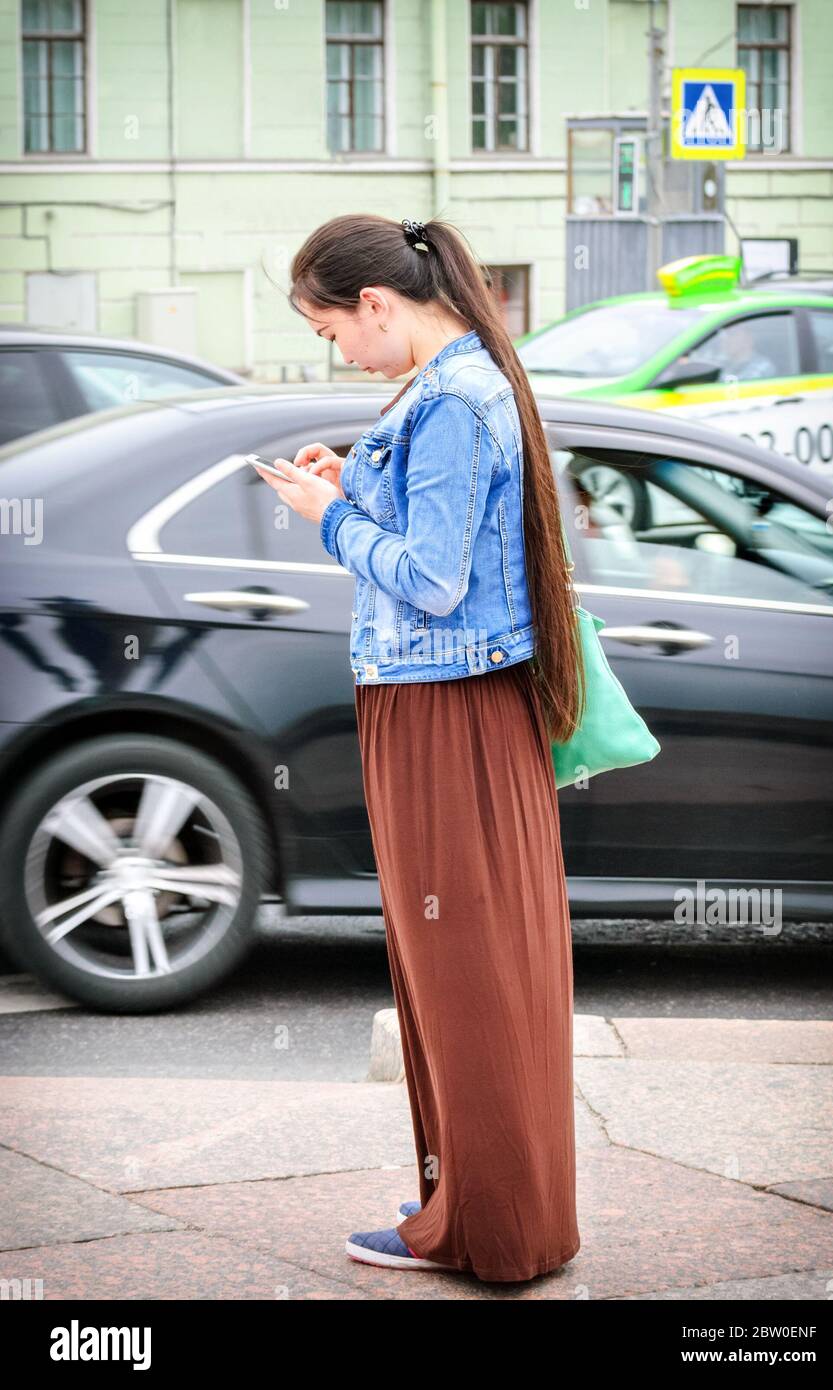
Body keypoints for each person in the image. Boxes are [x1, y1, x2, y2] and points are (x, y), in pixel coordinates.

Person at [254, 213, 584, 1284]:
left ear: (376, 306)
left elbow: (434, 582)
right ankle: (485, 1202)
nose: (337, 353)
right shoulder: (467, 380)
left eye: (329, 331)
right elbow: (458, 550)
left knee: (461, 980)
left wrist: (326, 518)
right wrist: (357, 487)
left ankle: (486, 1226)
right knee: (467, 974)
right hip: (454, 707)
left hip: (442, 711)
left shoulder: (448, 398)